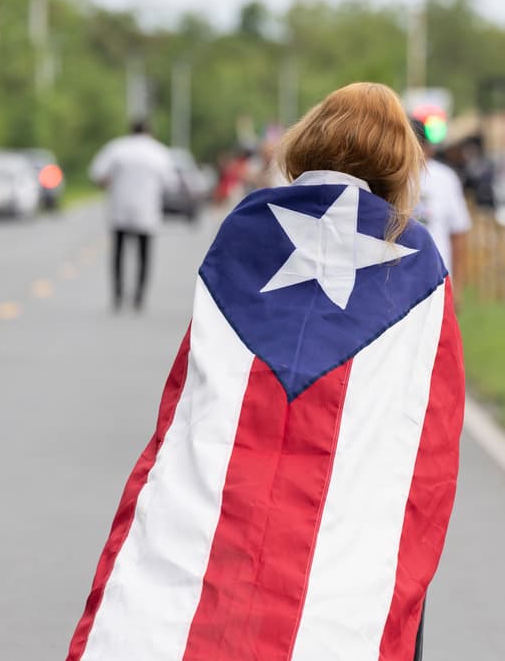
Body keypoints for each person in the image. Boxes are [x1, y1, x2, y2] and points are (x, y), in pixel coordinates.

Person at [66, 82, 465, 661]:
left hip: (224, 487)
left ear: (309, 141)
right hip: (339, 506)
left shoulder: (246, 228)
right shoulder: (419, 262)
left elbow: (192, 381)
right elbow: (432, 423)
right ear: (398, 160)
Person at [89, 120, 178, 311]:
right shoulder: (159, 152)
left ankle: (118, 296)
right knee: (144, 257)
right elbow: (171, 183)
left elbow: (97, 173)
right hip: (147, 211)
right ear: (150, 132)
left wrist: (110, 183)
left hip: (119, 209)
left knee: (118, 255)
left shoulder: (117, 148)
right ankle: (139, 298)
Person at [411, 118, 472, 278]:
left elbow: (458, 233)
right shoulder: (388, 177)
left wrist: (456, 286)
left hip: (437, 278)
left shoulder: (445, 178)